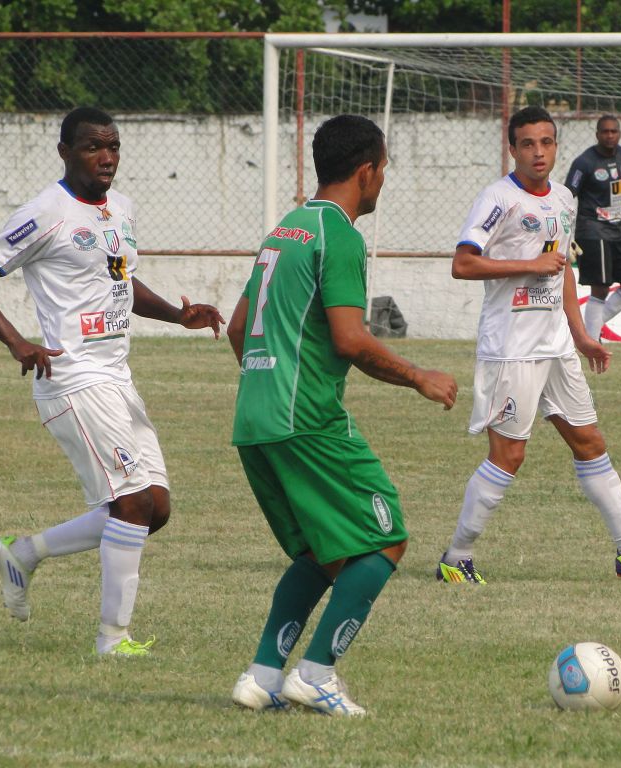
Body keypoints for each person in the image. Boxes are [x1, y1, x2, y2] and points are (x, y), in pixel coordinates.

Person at [0, 107, 225, 656]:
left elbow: (119, 279)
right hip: (73, 377)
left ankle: (23, 553)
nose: (107, 158)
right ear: (65, 151)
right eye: (93, 148)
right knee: (131, 504)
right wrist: (17, 341)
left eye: (114, 147)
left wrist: (178, 316)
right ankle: (112, 639)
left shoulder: (120, 209)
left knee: (157, 507)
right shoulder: (45, 212)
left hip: (116, 376)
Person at [227, 114, 458, 716]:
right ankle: (317, 671)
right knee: (385, 539)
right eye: (383, 170)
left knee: (325, 553)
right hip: (306, 419)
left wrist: (268, 381)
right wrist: (420, 378)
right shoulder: (341, 236)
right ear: (366, 171)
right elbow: (352, 341)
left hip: (254, 418)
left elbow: (236, 327)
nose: (384, 181)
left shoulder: (286, 229)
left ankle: (261, 677)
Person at [436, 106, 621, 585]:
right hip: (512, 348)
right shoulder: (497, 198)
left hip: (555, 347)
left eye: (546, 142)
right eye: (527, 144)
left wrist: (581, 334)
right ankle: (456, 557)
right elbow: (463, 264)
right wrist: (527, 266)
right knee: (509, 455)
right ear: (513, 149)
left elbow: (562, 269)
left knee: (590, 442)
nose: (538, 152)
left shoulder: (567, 199)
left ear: (555, 146)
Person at [564, 114, 621, 341]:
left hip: (619, 230)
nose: (609, 135)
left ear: (619, 133)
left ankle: (588, 330)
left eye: (613, 131)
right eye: (604, 132)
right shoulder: (584, 163)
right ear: (597, 135)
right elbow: (566, 197)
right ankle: (592, 342)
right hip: (592, 231)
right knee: (601, 288)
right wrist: (566, 235)